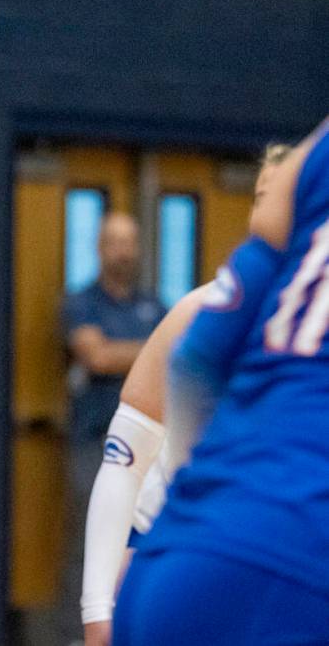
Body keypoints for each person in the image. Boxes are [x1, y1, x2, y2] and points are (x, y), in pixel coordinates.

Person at [113, 118, 329, 645]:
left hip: (174, 555)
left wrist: (197, 501)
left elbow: (197, 357)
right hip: (294, 564)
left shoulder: (313, 156)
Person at [80, 145, 292, 646]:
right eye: (263, 197)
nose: (273, 214)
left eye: (287, 199)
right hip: (169, 546)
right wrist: (97, 611)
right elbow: (123, 463)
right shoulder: (200, 311)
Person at [58, 211, 166, 642]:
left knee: (146, 540)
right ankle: (77, 635)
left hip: (154, 447)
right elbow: (96, 356)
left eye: (129, 242)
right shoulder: (81, 302)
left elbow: (182, 359)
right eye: (114, 242)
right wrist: (154, 348)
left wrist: (130, 351)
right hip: (94, 440)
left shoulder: (156, 304)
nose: (123, 251)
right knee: (89, 542)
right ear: (99, 247)